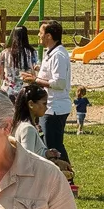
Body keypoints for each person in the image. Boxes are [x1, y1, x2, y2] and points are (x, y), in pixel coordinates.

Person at [34, 20, 72, 160]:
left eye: (41, 33)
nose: (39, 35)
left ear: (49, 36)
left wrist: (35, 80)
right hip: (49, 106)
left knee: (54, 147)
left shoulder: (58, 55)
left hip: (55, 108)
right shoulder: (51, 52)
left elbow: (59, 83)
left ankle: (67, 178)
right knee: (51, 145)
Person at [0, 24, 36, 99]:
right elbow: (34, 72)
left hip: (8, 89)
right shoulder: (31, 52)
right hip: (25, 90)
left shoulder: (5, 53)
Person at [10, 82, 49, 158]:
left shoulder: (19, 124)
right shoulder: (28, 129)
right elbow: (27, 160)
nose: (46, 108)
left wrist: (47, 154)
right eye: (44, 104)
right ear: (31, 104)